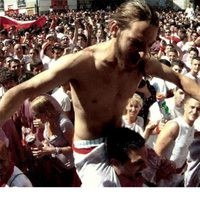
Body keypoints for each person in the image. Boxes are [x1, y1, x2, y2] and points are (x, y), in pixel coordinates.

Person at [1, 0, 200, 184]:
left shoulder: (142, 64)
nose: (143, 53)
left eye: (149, 45)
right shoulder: (81, 64)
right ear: (114, 29)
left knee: (163, 177)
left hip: (121, 139)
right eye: (137, 43)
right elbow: (22, 91)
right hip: (90, 149)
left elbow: (181, 79)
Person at [154, 97, 200, 186]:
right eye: (192, 107)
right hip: (163, 180)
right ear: (185, 106)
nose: (194, 111)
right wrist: (162, 172)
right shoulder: (174, 125)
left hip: (178, 178)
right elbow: (156, 153)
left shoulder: (192, 127)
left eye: (198, 109)